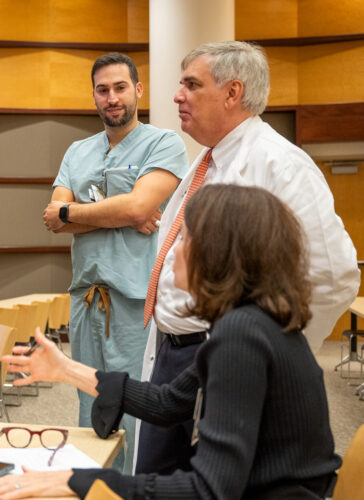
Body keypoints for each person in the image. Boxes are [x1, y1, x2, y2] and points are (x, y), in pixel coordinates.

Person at [0, 184, 341, 499]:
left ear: (215, 253)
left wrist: (82, 481)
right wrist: (65, 369)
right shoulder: (251, 323)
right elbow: (167, 402)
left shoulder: (241, 336)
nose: (172, 251)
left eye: (183, 238)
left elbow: (209, 491)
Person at [137, 41, 360, 475]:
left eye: (191, 85)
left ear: (232, 92)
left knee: (204, 482)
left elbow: (334, 275)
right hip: (175, 354)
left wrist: (267, 353)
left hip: (224, 356)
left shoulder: (282, 164)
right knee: (159, 477)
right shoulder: (207, 161)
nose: (177, 96)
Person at [41, 52, 188, 472]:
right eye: (103, 90)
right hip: (86, 301)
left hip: (136, 303)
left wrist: (82, 211)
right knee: (88, 404)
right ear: (93, 96)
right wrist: (120, 213)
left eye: (120, 87)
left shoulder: (163, 143)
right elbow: (54, 218)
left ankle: (134, 489)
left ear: (138, 90)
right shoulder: (77, 151)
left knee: (136, 406)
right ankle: (94, 488)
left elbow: (139, 207)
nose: (112, 98)